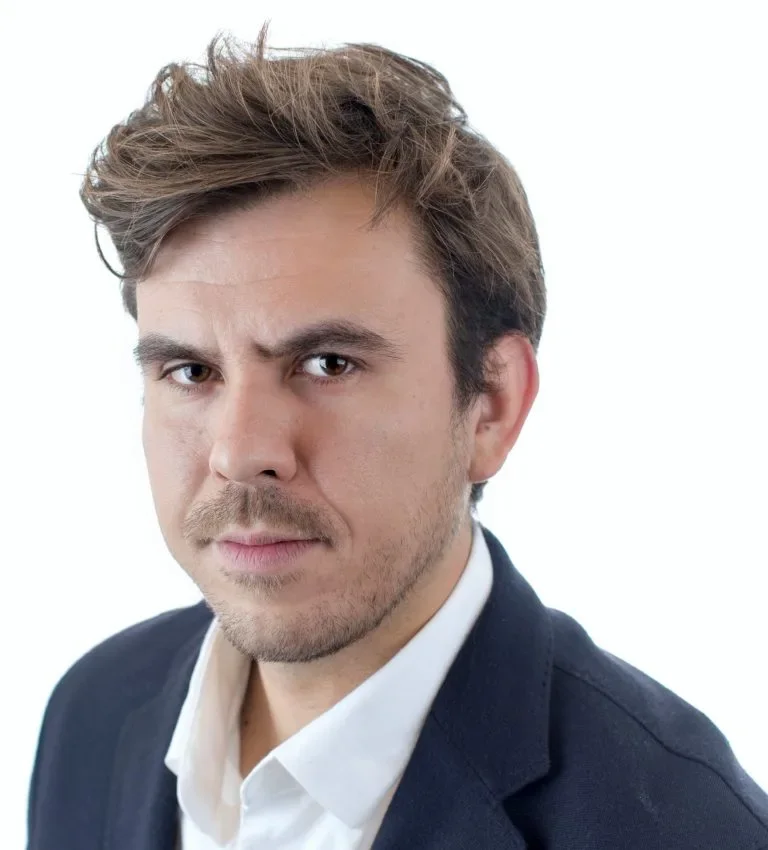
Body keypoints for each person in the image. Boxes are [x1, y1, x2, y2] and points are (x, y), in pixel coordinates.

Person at [27, 24, 768, 850]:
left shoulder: (682, 828)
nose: (239, 452)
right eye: (191, 373)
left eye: (328, 363)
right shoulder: (93, 714)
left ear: (490, 404)